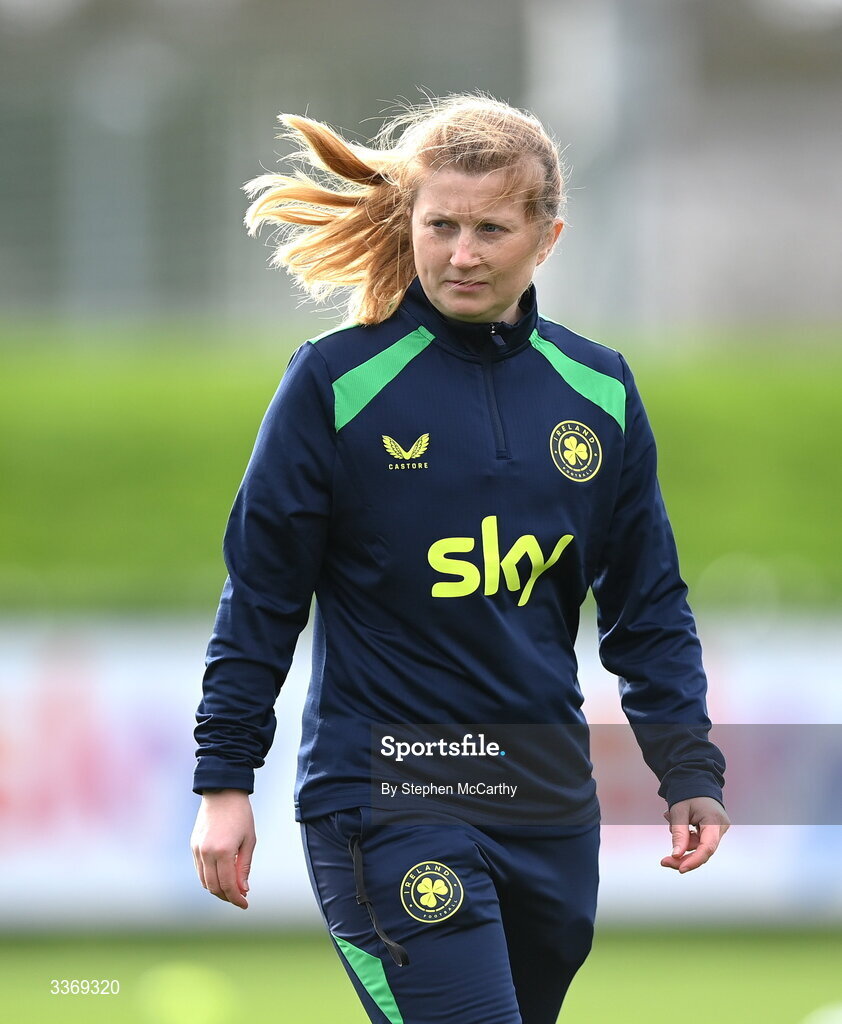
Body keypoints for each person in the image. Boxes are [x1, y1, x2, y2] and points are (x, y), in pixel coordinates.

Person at [190, 93, 729, 1024]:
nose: (462, 253)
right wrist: (224, 780)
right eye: (440, 226)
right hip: (385, 794)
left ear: (546, 237)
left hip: (546, 802)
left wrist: (688, 766)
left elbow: (647, 604)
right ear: (412, 221)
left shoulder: (598, 389)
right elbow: (262, 596)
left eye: (489, 228)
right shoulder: (334, 382)